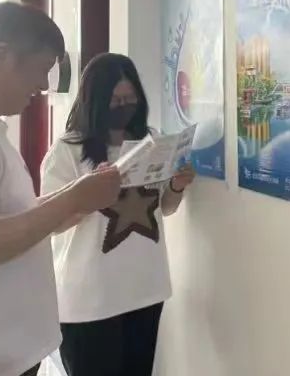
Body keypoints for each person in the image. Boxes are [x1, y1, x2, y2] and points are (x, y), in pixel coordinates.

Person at [0, 2, 122, 376]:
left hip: (0, 355)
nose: (43, 87)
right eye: (40, 70)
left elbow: (8, 219)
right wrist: (72, 198)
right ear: (1, 56)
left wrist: (77, 200)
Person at [41, 53, 195, 376]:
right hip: (90, 300)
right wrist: (89, 196)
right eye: (116, 100)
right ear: (96, 102)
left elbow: (164, 208)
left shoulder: (150, 141)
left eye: (130, 98)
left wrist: (176, 186)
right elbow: (51, 224)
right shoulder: (67, 151)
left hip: (145, 289)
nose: (125, 106)